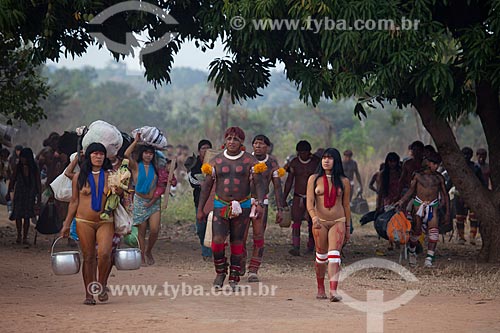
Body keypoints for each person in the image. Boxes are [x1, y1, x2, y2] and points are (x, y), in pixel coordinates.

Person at [196, 127, 266, 291]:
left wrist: (260, 203)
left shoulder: (250, 161)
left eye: (235, 139)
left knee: (238, 242)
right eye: (229, 139)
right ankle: (220, 272)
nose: (232, 142)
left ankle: (234, 277)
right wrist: (200, 209)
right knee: (217, 241)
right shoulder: (216, 161)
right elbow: (206, 187)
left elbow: (259, 183)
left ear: (241, 142)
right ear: (225, 141)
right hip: (221, 205)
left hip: (243, 206)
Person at [59, 143, 114, 305]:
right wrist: (66, 224)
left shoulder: (112, 175)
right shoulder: (78, 177)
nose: (98, 157)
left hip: (106, 221)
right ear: (89, 156)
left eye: (101, 154)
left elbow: (120, 199)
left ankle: (102, 283)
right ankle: (89, 294)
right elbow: (74, 202)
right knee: (89, 257)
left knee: (104, 254)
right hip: (84, 222)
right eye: (95, 154)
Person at [306, 148, 351, 302]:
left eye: (330, 158)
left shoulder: (344, 181)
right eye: (324, 158)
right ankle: (320, 288)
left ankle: (333, 291)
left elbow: (346, 206)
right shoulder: (313, 179)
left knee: (334, 256)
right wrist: (313, 218)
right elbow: (310, 202)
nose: (326, 160)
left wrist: (348, 227)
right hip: (320, 222)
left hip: (338, 221)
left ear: (336, 160)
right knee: (321, 257)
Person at [395, 152, 450, 267]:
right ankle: (412, 251)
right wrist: (401, 201)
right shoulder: (418, 176)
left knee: (434, 231)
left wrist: (447, 212)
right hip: (418, 205)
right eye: (434, 164)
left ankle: (429, 259)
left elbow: (445, 195)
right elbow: (411, 191)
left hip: (433, 206)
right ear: (428, 163)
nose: (436, 167)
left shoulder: (439, 178)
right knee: (417, 230)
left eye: (438, 164)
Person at [245, 134, 285, 282]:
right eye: (255, 143)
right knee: (240, 235)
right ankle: (240, 262)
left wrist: (280, 208)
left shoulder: (272, 163)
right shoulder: (246, 159)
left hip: (263, 203)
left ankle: (253, 270)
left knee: (259, 235)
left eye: (261, 144)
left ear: (267, 146)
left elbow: (277, 186)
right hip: (244, 202)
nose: (258, 146)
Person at [124, 133, 160, 265]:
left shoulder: (156, 168)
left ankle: (149, 250)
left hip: (154, 203)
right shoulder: (135, 166)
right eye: (146, 153)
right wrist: (135, 141)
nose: (148, 155)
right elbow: (126, 154)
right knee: (142, 231)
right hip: (139, 201)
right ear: (142, 154)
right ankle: (142, 255)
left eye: (151, 153)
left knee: (155, 229)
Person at [283, 140, 320, 256]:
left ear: (309, 152)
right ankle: (296, 246)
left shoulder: (316, 162)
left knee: (312, 222)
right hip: (298, 196)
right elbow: (289, 181)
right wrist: (283, 197)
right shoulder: (294, 163)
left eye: (305, 152)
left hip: (313, 197)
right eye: (300, 153)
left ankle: (311, 246)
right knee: (296, 221)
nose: (302, 155)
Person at [6, 148, 42, 246]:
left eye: (23, 157)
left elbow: (38, 183)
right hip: (19, 194)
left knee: (27, 217)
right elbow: (13, 179)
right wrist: (9, 192)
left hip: (30, 195)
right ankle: (19, 235)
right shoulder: (18, 167)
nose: (22, 159)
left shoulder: (34, 168)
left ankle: (25, 237)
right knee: (18, 215)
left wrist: (39, 197)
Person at [188, 139, 213, 260]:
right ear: (199, 151)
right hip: (199, 200)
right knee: (201, 227)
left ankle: (209, 252)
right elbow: (191, 180)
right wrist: (201, 184)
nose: (206, 151)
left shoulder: (215, 162)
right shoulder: (195, 163)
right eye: (203, 148)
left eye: (208, 148)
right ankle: (206, 250)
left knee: (213, 226)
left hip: (214, 200)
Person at [454, 147, 485, 245]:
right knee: (460, 217)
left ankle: (472, 237)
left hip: (473, 196)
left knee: (474, 217)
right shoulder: (456, 168)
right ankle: (461, 237)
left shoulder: (475, 167)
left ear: (471, 156)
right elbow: (451, 181)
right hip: (459, 195)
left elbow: (482, 182)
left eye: (468, 154)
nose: (466, 156)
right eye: (464, 154)